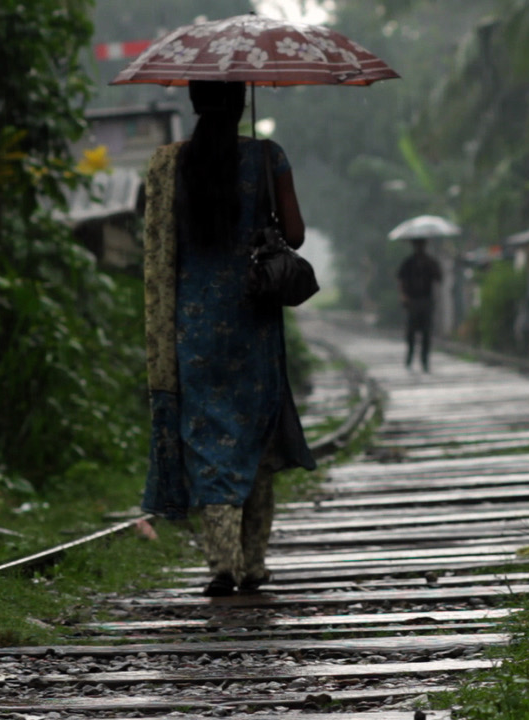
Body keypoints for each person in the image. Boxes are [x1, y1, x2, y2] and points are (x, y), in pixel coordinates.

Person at [140, 80, 316, 597]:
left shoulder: (169, 164)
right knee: (255, 440)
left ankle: (223, 562)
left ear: (194, 102)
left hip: (192, 324)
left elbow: (159, 245)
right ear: (241, 104)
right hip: (253, 322)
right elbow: (297, 233)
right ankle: (254, 562)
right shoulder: (268, 156)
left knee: (208, 440)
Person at [397, 237, 442, 372]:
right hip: (413, 301)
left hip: (426, 300)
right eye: (417, 245)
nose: (419, 247)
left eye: (421, 245)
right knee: (411, 333)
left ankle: (425, 360)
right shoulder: (408, 263)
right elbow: (401, 280)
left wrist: (432, 266)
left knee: (426, 333)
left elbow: (439, 277)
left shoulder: (430, 262)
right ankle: (409, 358)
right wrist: (404, 296)